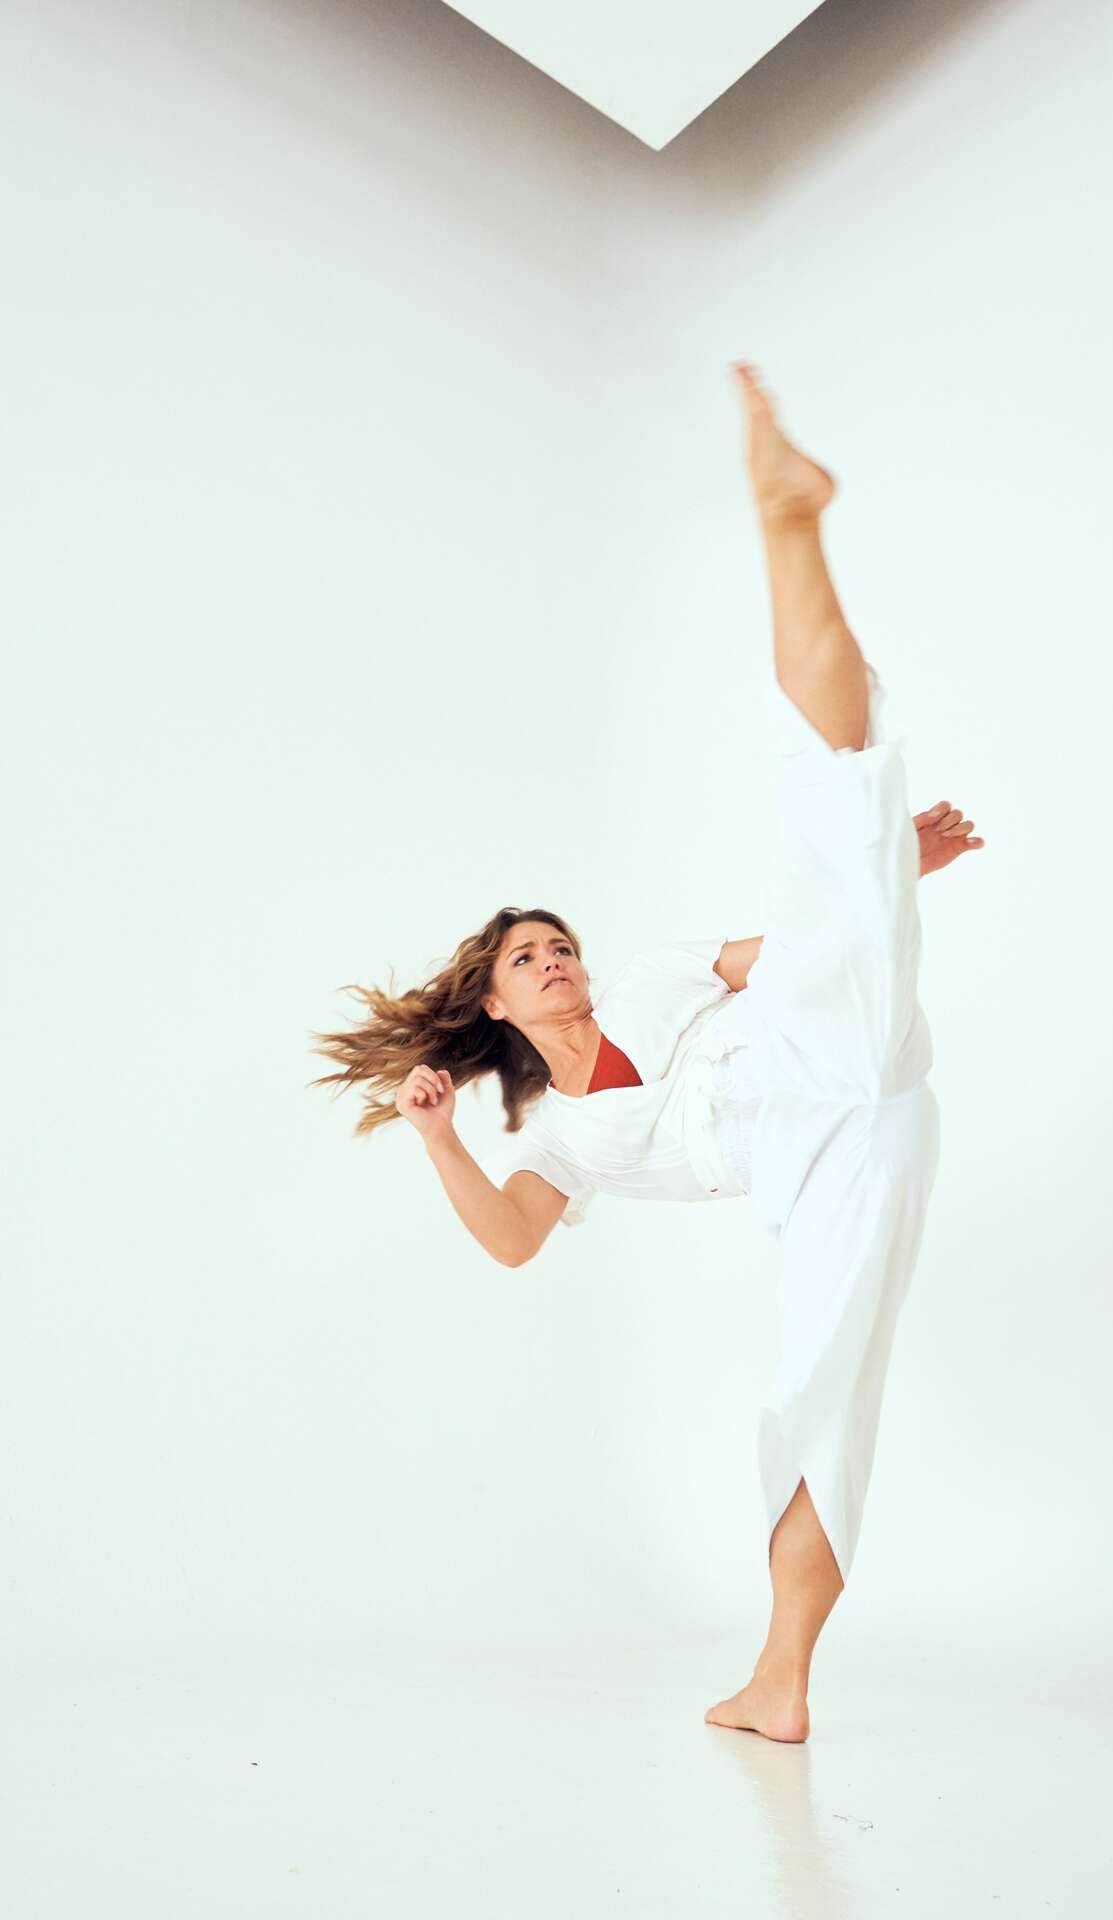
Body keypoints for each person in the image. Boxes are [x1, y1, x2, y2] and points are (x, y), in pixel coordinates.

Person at [308, 363, 984, 1742]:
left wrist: (883, 878)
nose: (556, 959)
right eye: (527, 958)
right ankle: (781, 1685)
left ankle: (787, 520)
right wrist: (438, 1138)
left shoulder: (664, 971)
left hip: (820, 1040)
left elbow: (785, 952)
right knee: (820, 1400)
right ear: (497, 1003)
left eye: (560, 943)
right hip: (832, 1164)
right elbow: (513, 1242)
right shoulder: (559, 1139)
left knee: (838, 792)